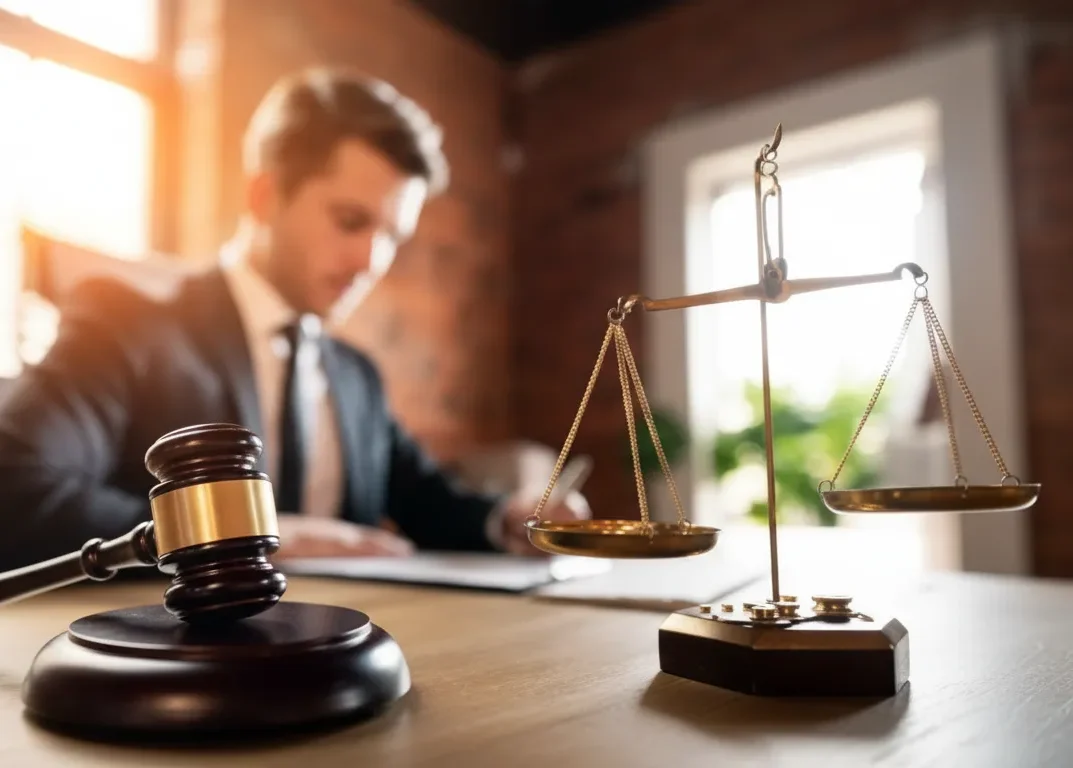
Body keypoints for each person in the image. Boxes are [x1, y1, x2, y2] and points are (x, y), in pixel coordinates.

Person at [0, 67, 588, 571]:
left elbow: (427, 500)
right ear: (264, 197)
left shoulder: (356, 376)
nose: (371, 262)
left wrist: (511, 520)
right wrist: (244, 538)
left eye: (391, 237)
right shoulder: (127, 324)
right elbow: (16, 487)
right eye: (351, 221)